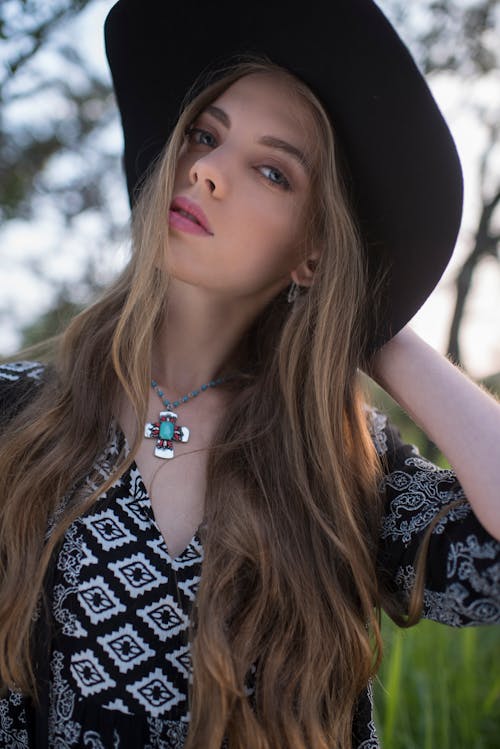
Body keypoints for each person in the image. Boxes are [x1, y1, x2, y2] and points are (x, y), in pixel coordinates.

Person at [0, 1, 499, 747]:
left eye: (269, 169)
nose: (205, 170)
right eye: (205, 135)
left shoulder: (343, 465)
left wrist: (373, 322)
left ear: (313, 253)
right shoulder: (19, 411)